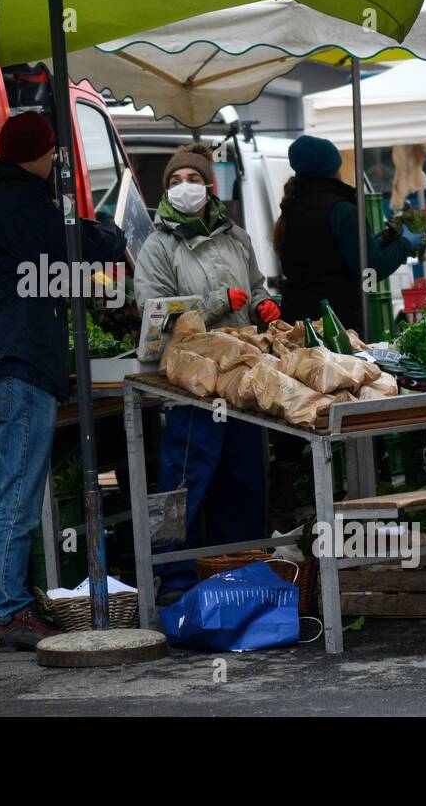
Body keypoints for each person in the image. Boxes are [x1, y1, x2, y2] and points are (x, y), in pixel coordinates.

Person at [0, 111, 126, 652]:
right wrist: (109, 232)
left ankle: (12, 599)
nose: (54, 163)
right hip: (17, 359)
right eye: (52, 154)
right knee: (15, 494)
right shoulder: (19, 201)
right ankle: (10, 612)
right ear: (43, 154)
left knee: (9, 488)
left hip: (4, 358)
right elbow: (75, 249)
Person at [133, 143, 280, 602]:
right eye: (175, 182)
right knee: (185, 483)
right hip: (191, 386)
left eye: (192, 179)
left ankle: (241, 573)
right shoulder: (158, 247)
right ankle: (174, 582)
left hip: (241, 378)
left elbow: (255, 284)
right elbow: (156, 313)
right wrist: (219, 304)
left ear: (208, 185)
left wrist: (260, 303)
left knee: (244, 479)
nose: (184, 188)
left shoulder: (236, 236)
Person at [274, 135, 423, 330]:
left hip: (297, 323)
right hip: (336, 326)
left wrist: (374, 244)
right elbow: (370, 270)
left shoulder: (292, 207)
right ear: (334, 168)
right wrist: (404, 244)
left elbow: (325, 258)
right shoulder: (341, 210)